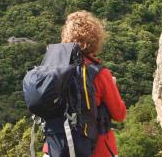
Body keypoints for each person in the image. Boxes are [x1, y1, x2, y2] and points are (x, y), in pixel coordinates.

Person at [43, 11, 127, 157]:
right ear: (95, 39)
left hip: (56, 148)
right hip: (96, 150)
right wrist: (112, 86)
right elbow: (119, 114)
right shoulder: (99, 73)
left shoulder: (54, 70)